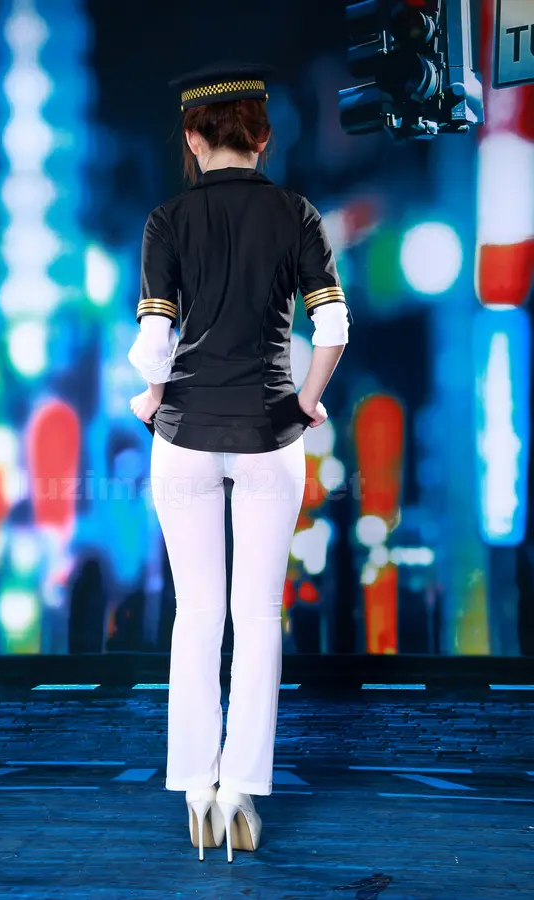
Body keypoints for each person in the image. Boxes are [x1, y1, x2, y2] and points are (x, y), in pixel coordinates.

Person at [128, 62, 349, 863]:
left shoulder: (166, 220)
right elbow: (333, 329)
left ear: (192, 138)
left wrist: (152, 397)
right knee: (257, 618)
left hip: (184, 433)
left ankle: (196, 791)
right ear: (264, 137)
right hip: (271, 433)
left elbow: (156, 344)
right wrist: (306, 402)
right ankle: (241, 794)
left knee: (197, 615)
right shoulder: (297, 214)